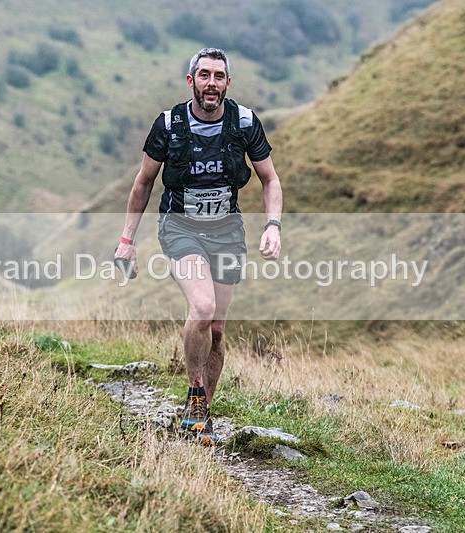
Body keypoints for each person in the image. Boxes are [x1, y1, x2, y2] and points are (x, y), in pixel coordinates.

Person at [114, 48, 283, 445]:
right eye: (204, 75)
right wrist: (126, 242)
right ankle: (194, 393)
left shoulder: (244, 123)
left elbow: (270, 180)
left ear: (227, 83)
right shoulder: (169, 125)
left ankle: (201, 413)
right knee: (203, 309)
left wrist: (273, 226)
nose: (211, 83)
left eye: (218, 76)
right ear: (191, 81)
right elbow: (143, 182)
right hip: (180, 229)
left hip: (227, 232)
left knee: (217, 330)